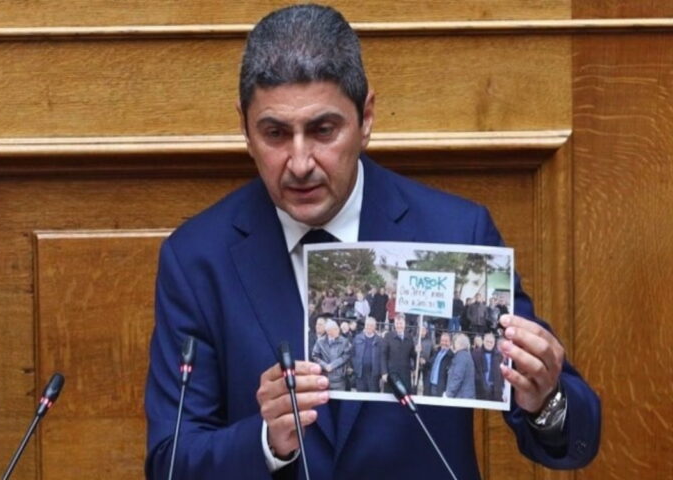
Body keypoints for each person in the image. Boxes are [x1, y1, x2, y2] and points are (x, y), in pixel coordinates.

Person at [145, 4, 601, 479]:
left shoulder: (454, 232)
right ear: (244, 127)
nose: (299, 163)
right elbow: (170, 463)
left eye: (323, 130)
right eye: (275, 134)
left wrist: (545, 399)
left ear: (365, 118)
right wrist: (265, 441)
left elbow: (574, 437)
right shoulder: (197, 260)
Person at [381, 314, 417, 393]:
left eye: (401, 323)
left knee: (404, 396)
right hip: (391, 373)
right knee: (390, 395)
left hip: (405, 374)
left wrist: (417, 351)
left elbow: (413, 355)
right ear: (394, 324)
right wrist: (384, 372)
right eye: (397, 323)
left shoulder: (409, 337)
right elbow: (383, 355)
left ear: (404, 324)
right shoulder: (388, 336)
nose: (399, 326)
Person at [311, 320, 351, 390]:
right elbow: (315, 356)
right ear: (328, 331)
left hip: (339, 379)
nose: (338, 330)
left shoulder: (344, 341)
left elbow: (346, 356)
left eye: (337, 328)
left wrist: (333, 365)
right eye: (335, 329)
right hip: (324, 377)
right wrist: (324, 365)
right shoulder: (320, 342)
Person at [351, 317, 382, 392]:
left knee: (373, 397)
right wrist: (355, 366)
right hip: (360, 374)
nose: (369, 327)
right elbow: (352, 353)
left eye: (371, 325)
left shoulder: (380, 340)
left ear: (375, 327)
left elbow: (382, 357)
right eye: (367, 325)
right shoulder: (357, 338)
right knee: (361, 396)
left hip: (374, 376)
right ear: (365, 326)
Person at [473, 332, 505, 401]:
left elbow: (501, 374)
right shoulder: (476, 353)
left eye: (491, 342)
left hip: (495, 390)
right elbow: (474, 371)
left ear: (494, 343)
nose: (489, 344)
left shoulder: (499, 355)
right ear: (483, 341)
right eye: (487, 341)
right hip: (480, 388)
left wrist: (502, 388)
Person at [445, 333, 476, 399]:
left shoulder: (461, 357)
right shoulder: (466, 356)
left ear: (458, 344)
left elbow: (457, 377)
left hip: (461, 397)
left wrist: (448, 394)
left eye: (454, 342)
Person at [426, 332, 454, 397]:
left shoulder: (451, 356)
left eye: (446, 341)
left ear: (450, 342)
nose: (444, 343)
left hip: (441, 388)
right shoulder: (436, 352)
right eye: (442, 340)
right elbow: (428, 364)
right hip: (431, 385)